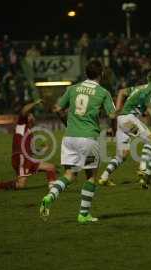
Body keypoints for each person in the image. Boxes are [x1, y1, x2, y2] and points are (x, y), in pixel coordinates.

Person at [39, 60, 116, 224]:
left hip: (69, 138)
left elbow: (58, 108)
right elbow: (112, 115)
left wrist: (66, 123)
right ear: (101, 73)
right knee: (90, 177)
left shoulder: (72, 89)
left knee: (69, 175)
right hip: (88, 138)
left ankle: (50, 196)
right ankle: (83, 214)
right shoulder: (103, 92)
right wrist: (113, 131)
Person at [98, 70, 151, 186]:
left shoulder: (138, 88)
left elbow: (121, 91)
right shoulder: (149, 91)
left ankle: (104, 177)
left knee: (122, 154)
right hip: (129, 120)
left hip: (121, 120)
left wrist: (118, 108)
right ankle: (142, 169)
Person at [0, 100, 57, 192]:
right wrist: (35, 103)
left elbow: (31, 150)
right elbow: (24, 110)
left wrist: (41, 150)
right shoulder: (22, 124)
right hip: (21, 157)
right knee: (20, 185)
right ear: (28, 118)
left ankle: (53, 189)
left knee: (50, 167)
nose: (34, 117)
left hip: (27, 158)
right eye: (32, 115)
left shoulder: (30, 132)